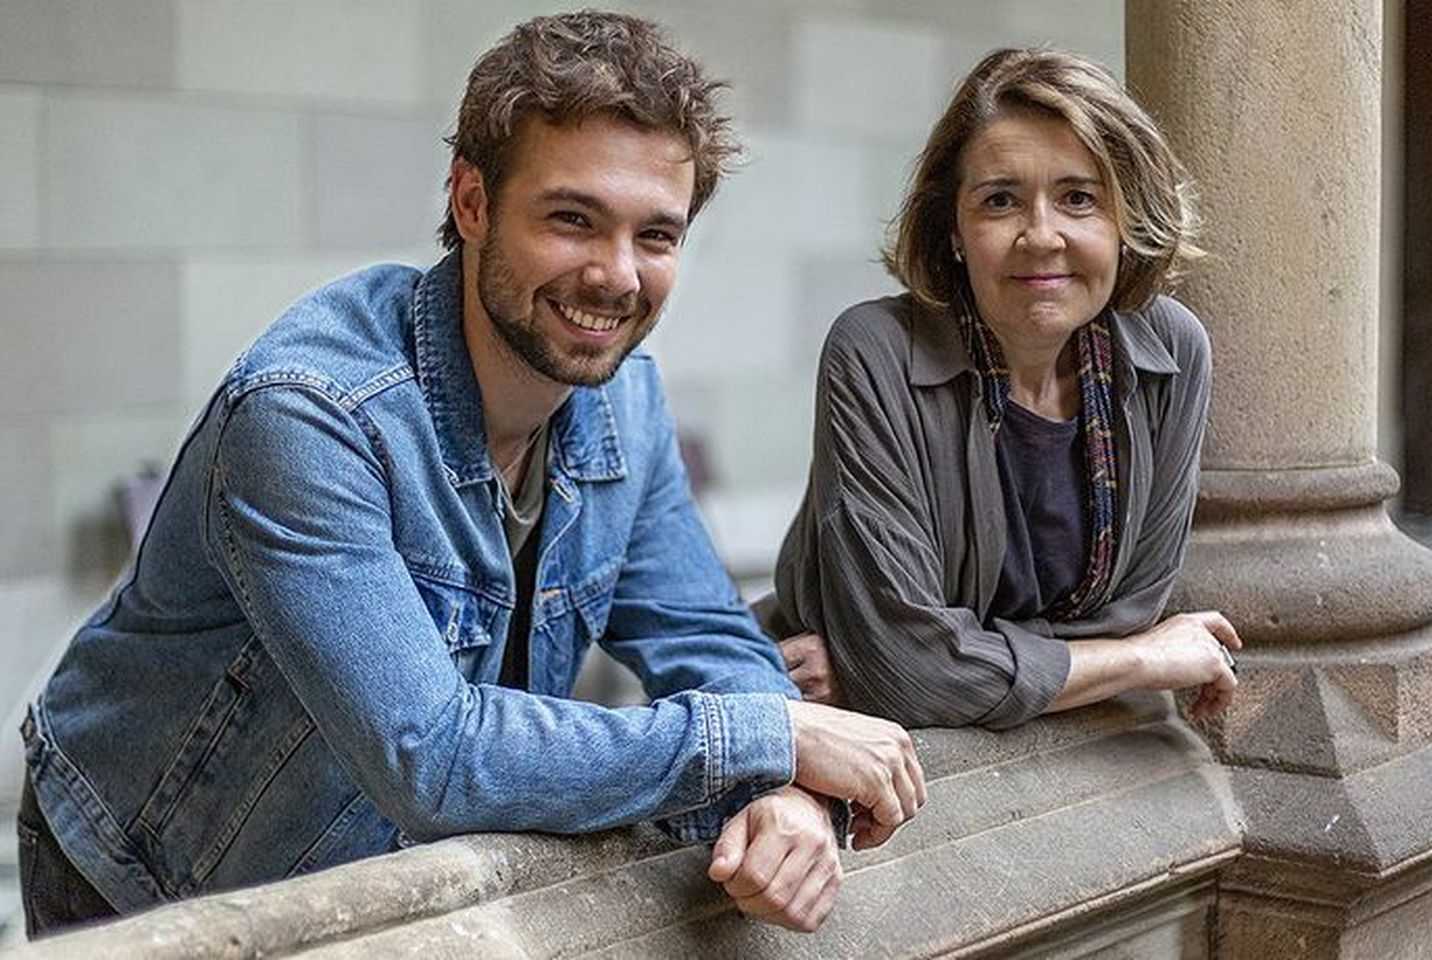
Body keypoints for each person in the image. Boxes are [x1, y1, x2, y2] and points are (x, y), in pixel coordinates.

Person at [17, 12, 924, 940]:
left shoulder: (627, 402)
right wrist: (771, 736)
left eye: (656, 235)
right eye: (573, 219)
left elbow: (699, 628)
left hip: (380, 866)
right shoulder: (311, 415)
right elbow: (432, 754)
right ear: (472, 202)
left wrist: (781, 791)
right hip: (149, 872)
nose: (617, 275)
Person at [765, 49, 1241, 730]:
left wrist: (917, 660)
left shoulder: (1173, 352)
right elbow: (909, 672)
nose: (1041, 236)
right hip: (817, 722)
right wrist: (1141, 660)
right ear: (954, 230)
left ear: (1125, 221)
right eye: (1000, 201)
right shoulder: (873, 352)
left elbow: (1130, 608)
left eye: (1079, 198)